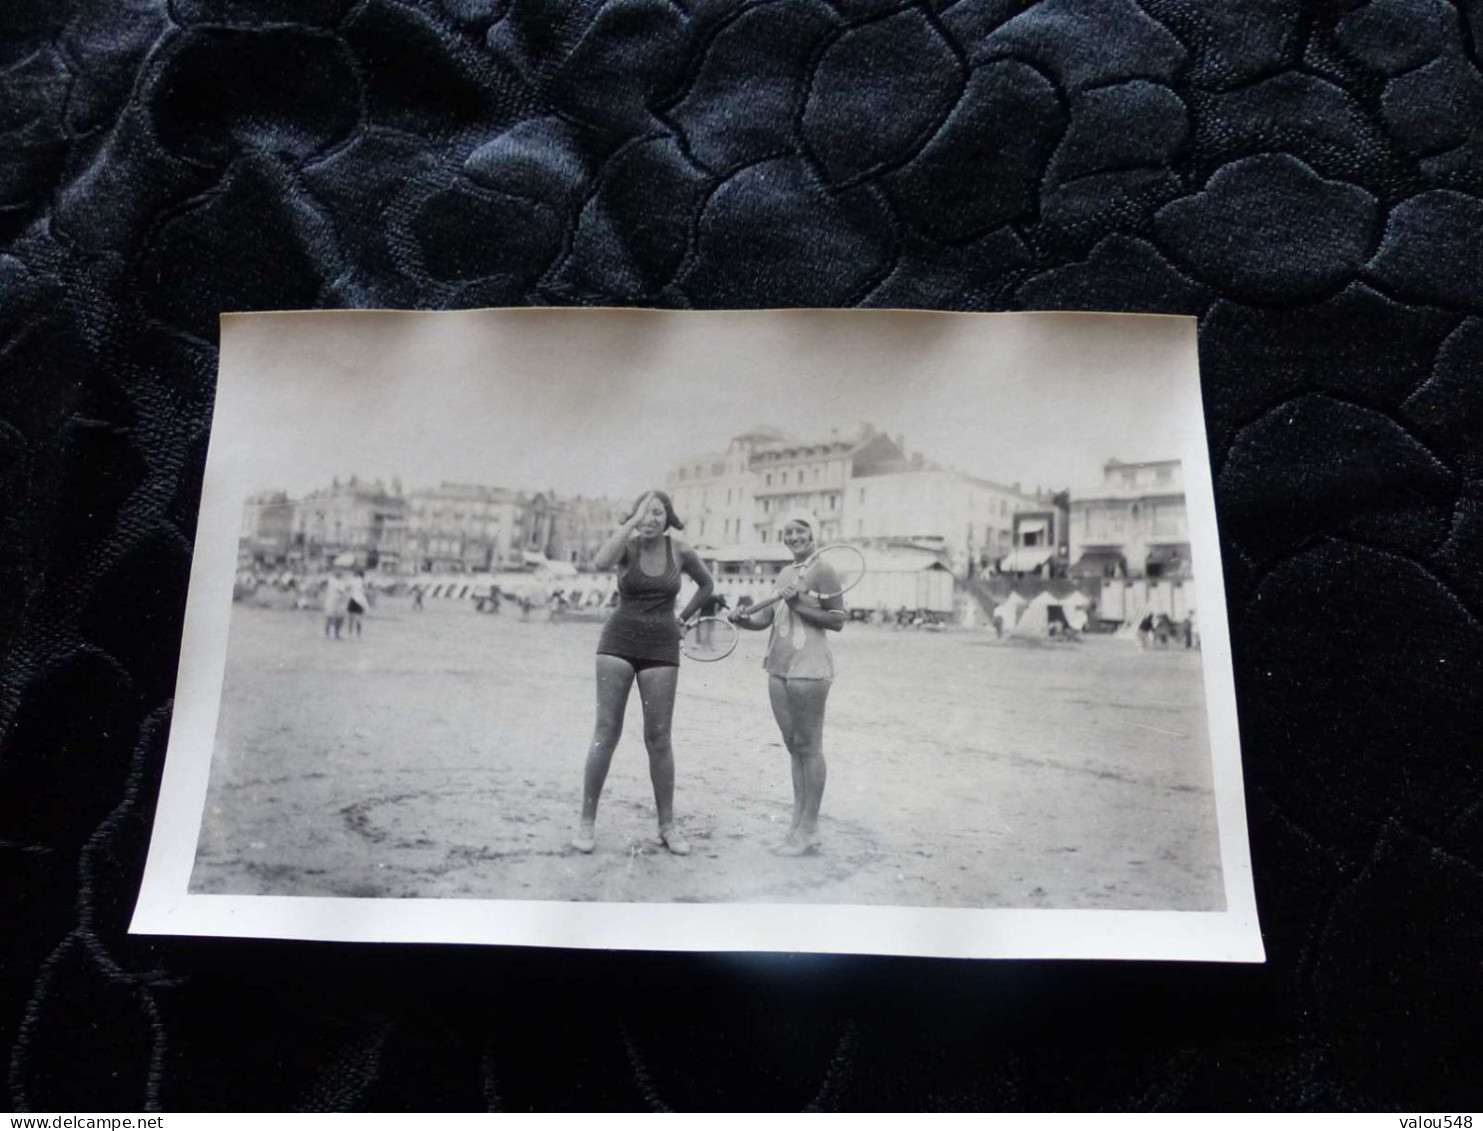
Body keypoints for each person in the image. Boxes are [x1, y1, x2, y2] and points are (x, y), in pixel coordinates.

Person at [572, 490, 714, 856]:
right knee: (605, 732)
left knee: (659, 737)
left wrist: (683, 619)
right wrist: (631, 525)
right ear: (634, 516)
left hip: (661, 647)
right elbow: (601, 562)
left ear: (668, 517)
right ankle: (587, 822)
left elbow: (707, 584)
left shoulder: (679, 549)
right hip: (617, 643)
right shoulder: (627, 546)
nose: (650, 519)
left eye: (657, 512)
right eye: (643, 513)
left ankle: (667, 825)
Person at [729, 511, 844, 855]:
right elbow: (769, 618)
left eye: (800, 531)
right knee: (794, 746)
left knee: (809, 746)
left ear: (813, 535)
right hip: (778, 665)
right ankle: (799, 822)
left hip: (809, 667)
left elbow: (837, 621)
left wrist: (798, 603)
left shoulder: (823, 570)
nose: (793, 537)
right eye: (788, 532)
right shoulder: (784, 572)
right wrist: (744, 619)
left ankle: (810, 827)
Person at [322, 566, 350, 639]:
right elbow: (340, 590)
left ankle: (337, 634)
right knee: (331, 618)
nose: (340, 573)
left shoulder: (342, 581)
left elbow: (346, 589)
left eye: (341, 571)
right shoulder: (331, 580)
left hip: (341, 602)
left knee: (340, 619)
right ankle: (328, 635)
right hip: (332, 601)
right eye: (338, 571)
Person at [346, 570, 369, 637]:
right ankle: (358, 635)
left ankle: (350, 634)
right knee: (359, 620)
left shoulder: (353, 580)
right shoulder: (364, 582)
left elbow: (347, 588)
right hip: (360, 601)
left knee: (351, 619)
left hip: (353, 599)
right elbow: (366, 592)